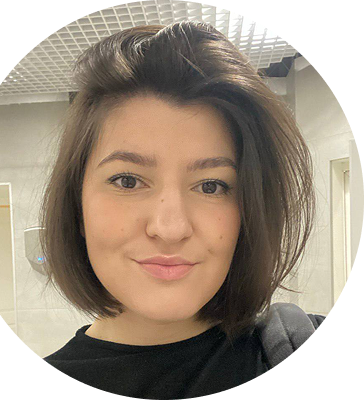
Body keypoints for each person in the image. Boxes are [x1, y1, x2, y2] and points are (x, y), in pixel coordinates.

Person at [41, 21, 323, 397]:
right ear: (77, 206)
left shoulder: (291, 343)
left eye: (211, 186)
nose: (170, 228)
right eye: (128, 181)